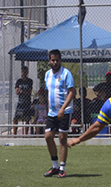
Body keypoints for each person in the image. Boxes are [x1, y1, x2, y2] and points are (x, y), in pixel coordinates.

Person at [43, 49, 76, 178]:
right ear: (49, 61)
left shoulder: (66, 74)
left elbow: (72, 92)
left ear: (60, 60)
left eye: (57, 60)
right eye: (53, 60)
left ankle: (62, 168)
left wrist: (62, 108)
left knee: (62, 138)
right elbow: (48, 92)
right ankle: (55, 166)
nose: (55, 62)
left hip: (65, 111)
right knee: (48, 137)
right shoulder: (47, 75)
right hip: (52, 113)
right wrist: (48, 109)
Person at [13, 66, 33, 135]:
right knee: (15, 119)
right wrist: (22, 91)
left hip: (27, 103)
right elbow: (17, 92)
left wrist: (21, 91)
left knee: (27, 119)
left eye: (25, 72)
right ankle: (14, 135)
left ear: (27, 72)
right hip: (20, 103)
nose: (23, 73)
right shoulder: (19, 81)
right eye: (22, 72)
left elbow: (29, 92)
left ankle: (26, 135)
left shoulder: (29, 81)